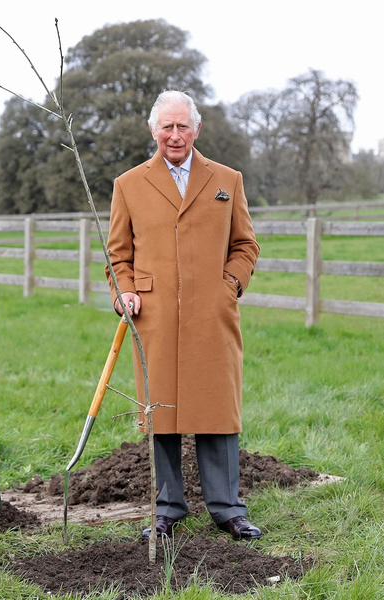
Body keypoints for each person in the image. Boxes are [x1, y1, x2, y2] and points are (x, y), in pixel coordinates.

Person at [106, 90, 262, 541]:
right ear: (153, 131)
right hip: (153, 317)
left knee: (216, 408)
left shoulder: (226, 180)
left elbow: (246, 245)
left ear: (197, 129)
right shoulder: (129, 184)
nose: (175, 135)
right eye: (166, 127)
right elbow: (117, 255)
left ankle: (228, 508)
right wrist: (127, 293)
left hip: (212, 315)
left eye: (183, 126)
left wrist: (228, 285)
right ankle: (168, 507)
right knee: (162, 411)